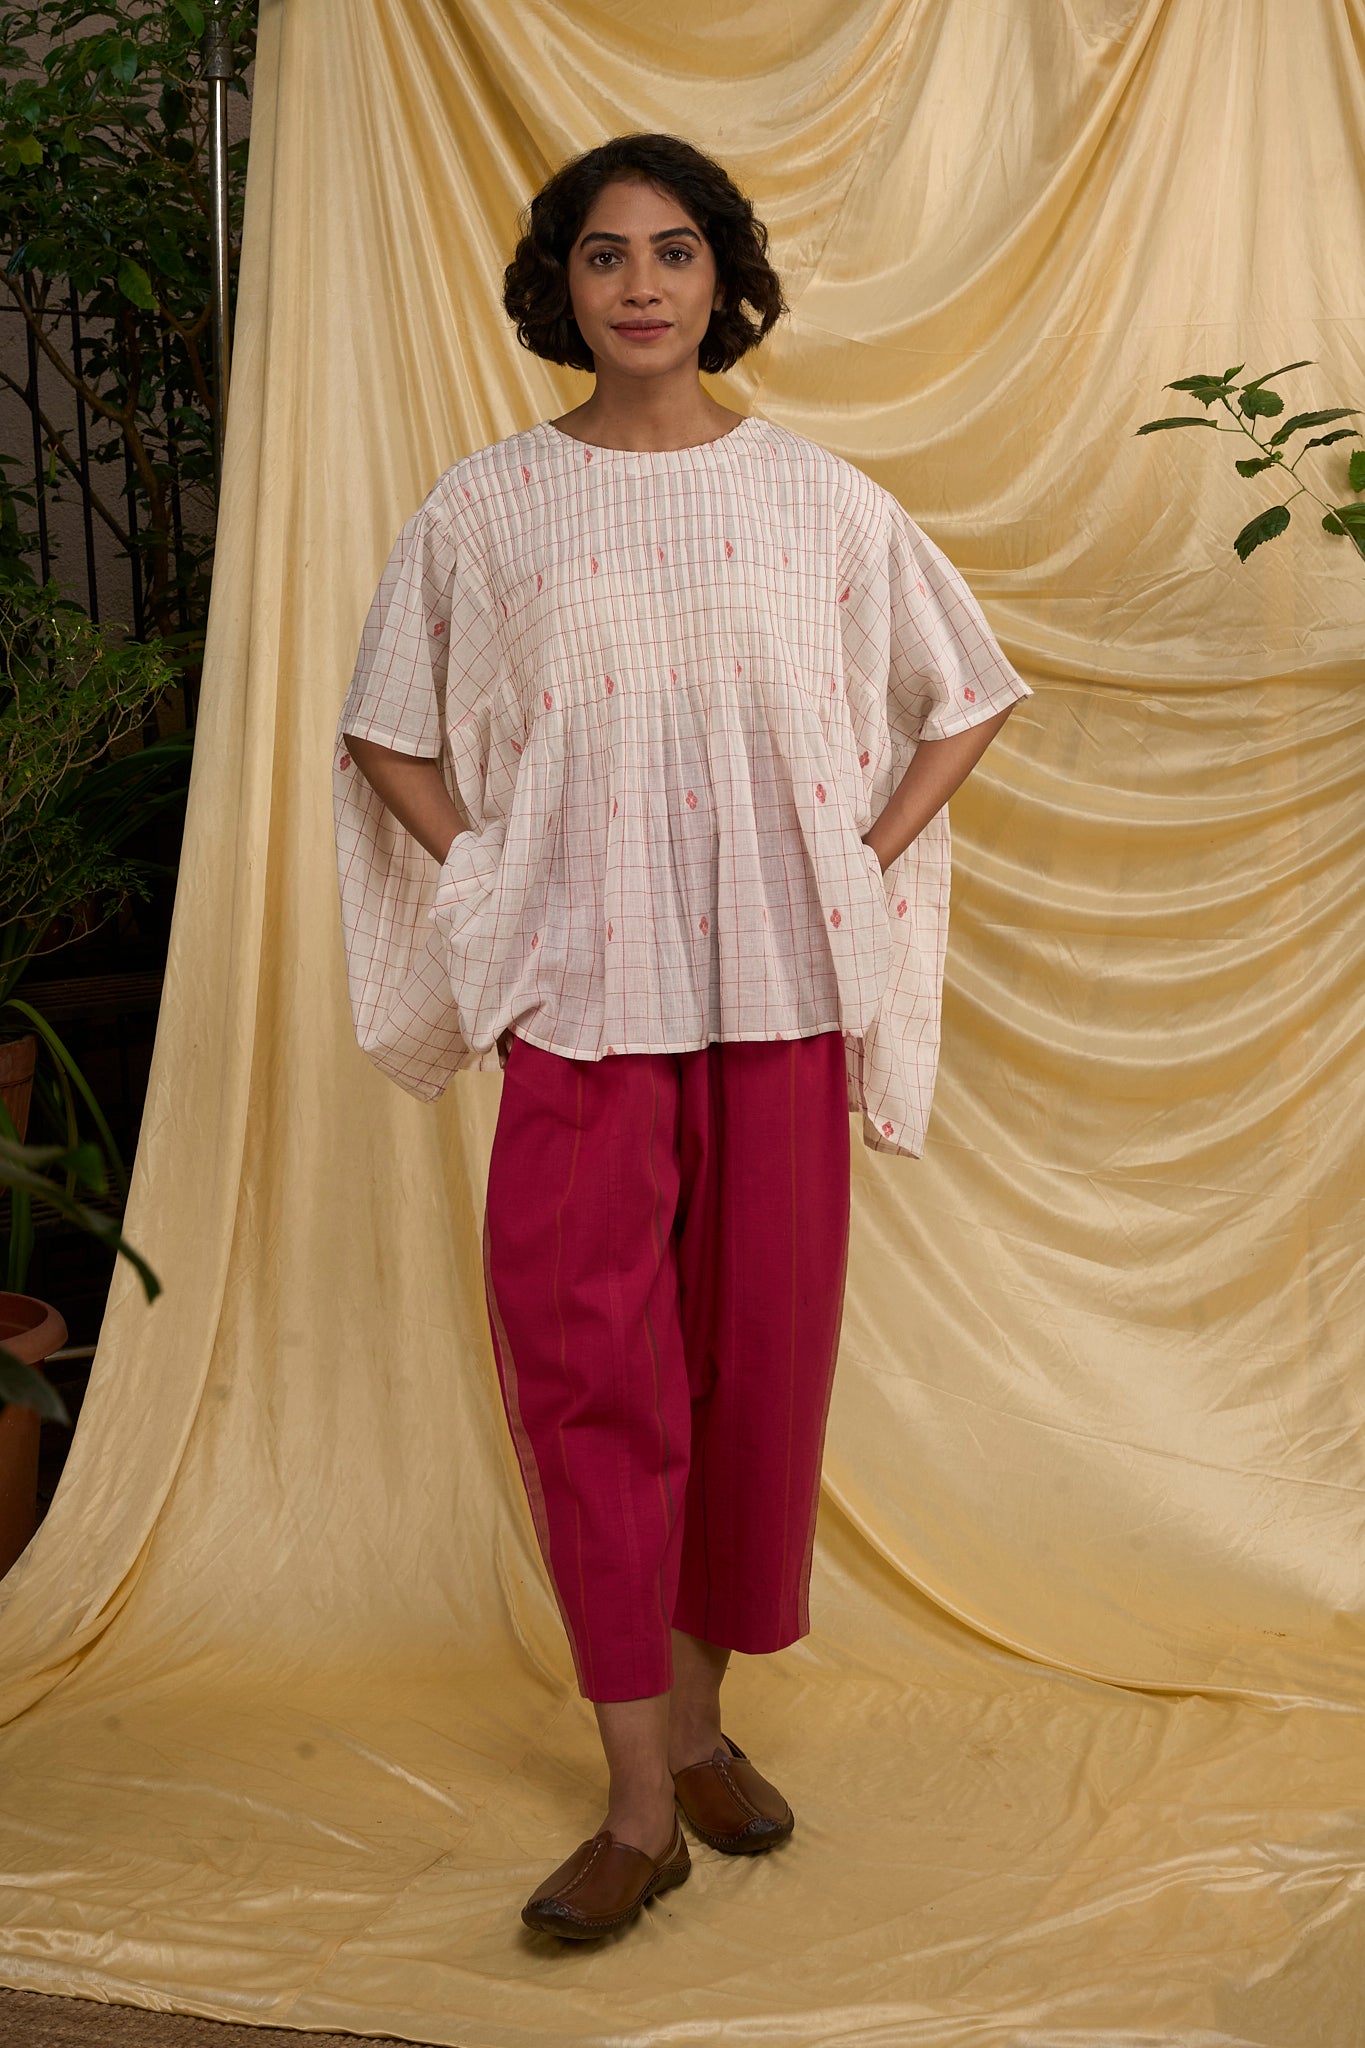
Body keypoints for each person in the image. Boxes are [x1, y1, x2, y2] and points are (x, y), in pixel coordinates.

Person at [333, 132, 1031, 1942]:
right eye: (601, 254)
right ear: (557, 286)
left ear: (721, 279)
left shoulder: (819, 499)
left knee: (755, 1374)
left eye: (671, 251)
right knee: (592, 1385)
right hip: (580, 1012)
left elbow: (964, 696)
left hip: (777, 1002)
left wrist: (860, 855)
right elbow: (388, 731)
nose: (637, 284)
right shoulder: (485, 507)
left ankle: (706, 1723)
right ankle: (638, 1799)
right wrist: (489, 879)